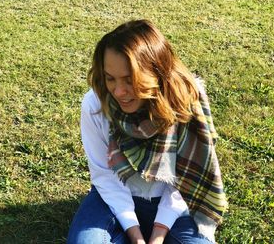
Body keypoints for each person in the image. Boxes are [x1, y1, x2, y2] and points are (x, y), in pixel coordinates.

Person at [67, 19, 227, 244]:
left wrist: (158, 234)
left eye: (130, 80)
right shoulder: (95, 104)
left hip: (175, 203)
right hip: (113, 198)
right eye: (110, 78)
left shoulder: (187, 98)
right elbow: (104, 175)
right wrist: (135, 233)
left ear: (156, 73)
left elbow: (188, 175)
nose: (119, 91)